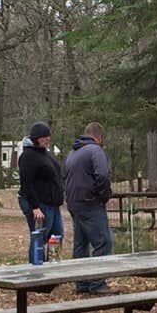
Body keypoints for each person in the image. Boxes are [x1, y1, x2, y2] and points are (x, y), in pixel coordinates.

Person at [62, 121, 115, 295]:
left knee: (81, 244)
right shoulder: (95, 151)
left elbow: (66, 177)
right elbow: (102, 175)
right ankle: (97, 283)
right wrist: (103, 195)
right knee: (103, 242)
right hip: (91, 203)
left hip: (75, 204)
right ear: (99, 137)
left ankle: (82, 283)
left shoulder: (73, 152)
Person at [15, 122, 63, 266]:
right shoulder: (28, 156)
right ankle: (36, 271)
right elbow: (26, 183)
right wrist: (35, 207)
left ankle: (53, 266)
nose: (48, 139)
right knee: (39, 238)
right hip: (39, 205)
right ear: (37, 138)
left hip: (53, 204)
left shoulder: (46, 154)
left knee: (57, 237)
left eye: (48, 136)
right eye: (44, 137)